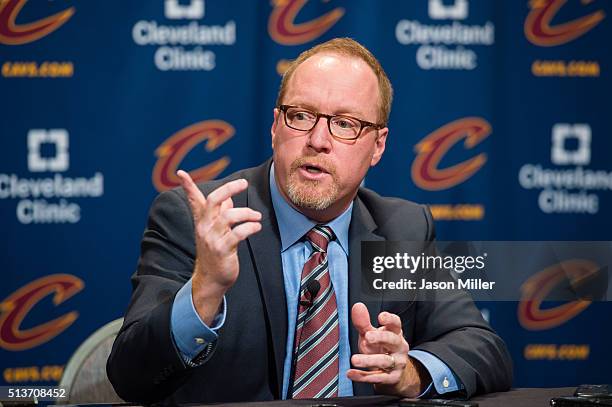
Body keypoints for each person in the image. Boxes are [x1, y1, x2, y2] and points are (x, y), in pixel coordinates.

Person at [107, 38, 512, 404]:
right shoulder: (203, 218)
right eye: (300, 116)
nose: (318, 140)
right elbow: (131, 378)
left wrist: (410, 374)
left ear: (378, 146)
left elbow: (482, 346)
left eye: (345, 124)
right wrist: (205, 291)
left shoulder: (402, 229)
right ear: (274, 127)